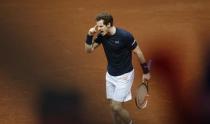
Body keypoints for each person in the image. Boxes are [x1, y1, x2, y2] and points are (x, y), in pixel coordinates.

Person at [84, 12, 151, 124]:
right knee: (113, 108)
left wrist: (146, 71)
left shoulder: (125, 36)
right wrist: (89, 35)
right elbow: (88, 50)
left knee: (116, 107)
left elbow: (138, 52)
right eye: (97, 26)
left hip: (124, 76)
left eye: (101, 26)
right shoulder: (101, 36)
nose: (98, 29)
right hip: (110, 75)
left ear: (109, 24)